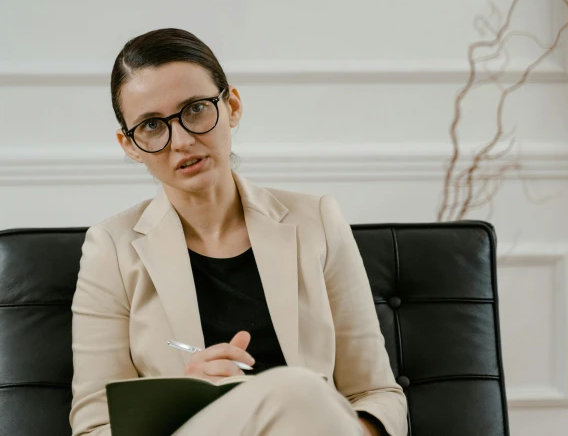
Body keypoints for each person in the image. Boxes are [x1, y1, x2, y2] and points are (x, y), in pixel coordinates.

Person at [69, 28, 408, 436]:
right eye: (152, 126)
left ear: (231, 106)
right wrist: (188, 397)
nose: (181, 140)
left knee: (299, 395)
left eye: (195, 109)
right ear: (130, 145)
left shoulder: (317, 220)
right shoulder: (112, 249)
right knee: (297, 388)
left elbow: (378, 396)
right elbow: (93, 428)